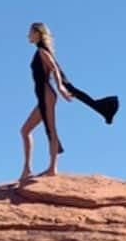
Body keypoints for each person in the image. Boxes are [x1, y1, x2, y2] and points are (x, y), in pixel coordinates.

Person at [20, 22, 119, 181]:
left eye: (30, 32)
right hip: (44, 95)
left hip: (47, 94)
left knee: (45, 129)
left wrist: (60, 86)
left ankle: (48, 169)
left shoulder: (41, 52)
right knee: (27, 130)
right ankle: (29, 169)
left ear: (38, 33)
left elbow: (54, 68)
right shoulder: (42, 51)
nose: (28, 35)